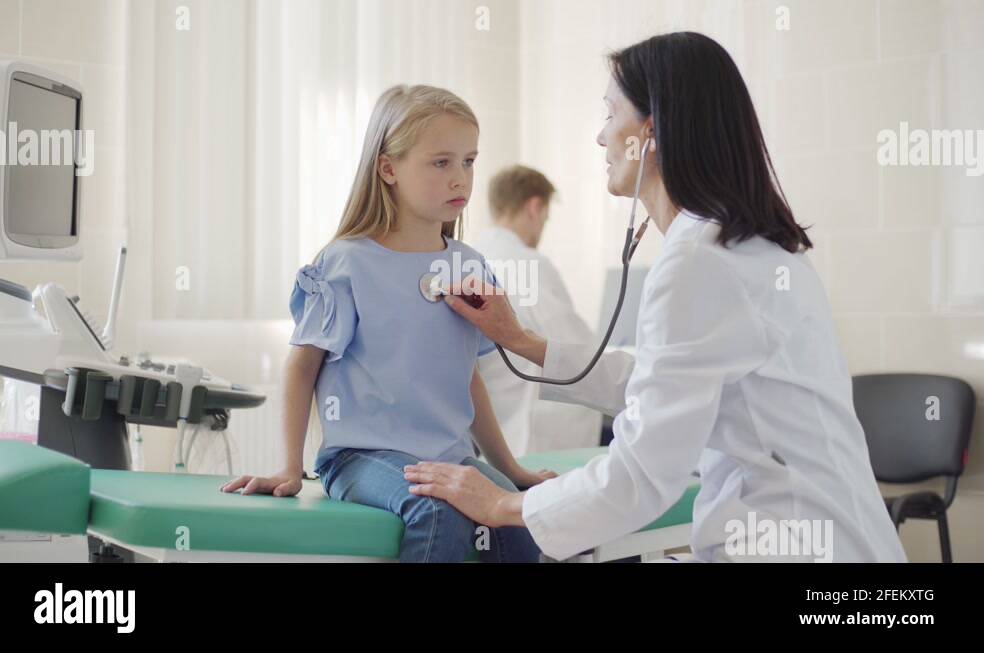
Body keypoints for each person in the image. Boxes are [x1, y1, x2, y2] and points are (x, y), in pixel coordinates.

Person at [402, 33, 907, 563]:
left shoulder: (700, 261)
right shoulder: (745, 244)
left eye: (609, 112)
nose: (600, 136)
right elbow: (660, 383)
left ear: (652, 132)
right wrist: (521, 341)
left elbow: (644, 471)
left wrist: (506, 505)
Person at [221, 85, 553, 563]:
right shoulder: (346, 263)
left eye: (469, 161)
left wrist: (511, 470)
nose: (460, 178)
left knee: (520, 519)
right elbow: (301, 367)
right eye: (441, 163)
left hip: (451, 458)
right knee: (437, 512)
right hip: (361, 457)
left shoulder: (469, 266)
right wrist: (289, 467)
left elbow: (467, 381)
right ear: (389, 168)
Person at [474, 166, 601, 455]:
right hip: (530, 431)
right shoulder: (530, 263)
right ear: (534, 207)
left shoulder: (470, 257)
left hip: (491, 426)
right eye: (545, 218)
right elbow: (577, 349)